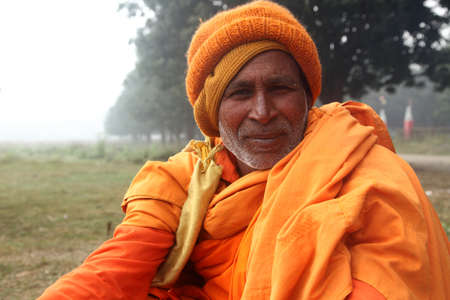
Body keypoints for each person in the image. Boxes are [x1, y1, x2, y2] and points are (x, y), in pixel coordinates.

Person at [39, 1, 449, 299]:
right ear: (212, 113)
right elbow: (114, 269)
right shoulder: (184, 178)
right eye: (239, 93)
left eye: (280, 88)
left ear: (307, 97)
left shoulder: (365, 170)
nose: (263, 111)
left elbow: (388, 279)